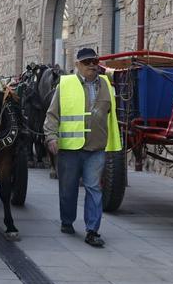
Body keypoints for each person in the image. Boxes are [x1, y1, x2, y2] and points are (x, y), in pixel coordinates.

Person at [43, 46, 121, 248]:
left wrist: (113, 144)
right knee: (68, 189)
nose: (92, 66)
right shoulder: (66, 85)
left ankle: (92, 230)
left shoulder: (106, 85)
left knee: (94, 188)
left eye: (94, 62)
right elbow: (52, 114)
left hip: (96, 148)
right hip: (70, 149)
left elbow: (112, 117)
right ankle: (67, 220)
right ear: (77, 65)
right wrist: (51, 136)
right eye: (87, 62)